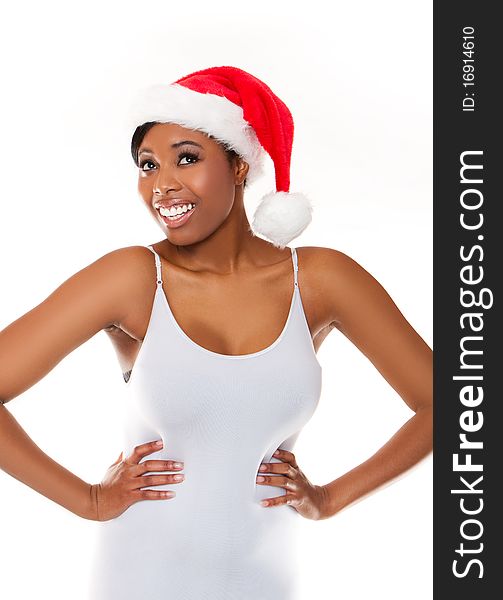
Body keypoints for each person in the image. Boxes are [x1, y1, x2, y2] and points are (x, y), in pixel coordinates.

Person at [0, 66, 432, 599]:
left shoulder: (320, 280)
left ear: (239, 164)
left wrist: (328, 500)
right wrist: (88, 500)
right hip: (141, 578)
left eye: (187, 158)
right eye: (147, 165)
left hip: (268, 580)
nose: (163, 184)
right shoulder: (134, 278)